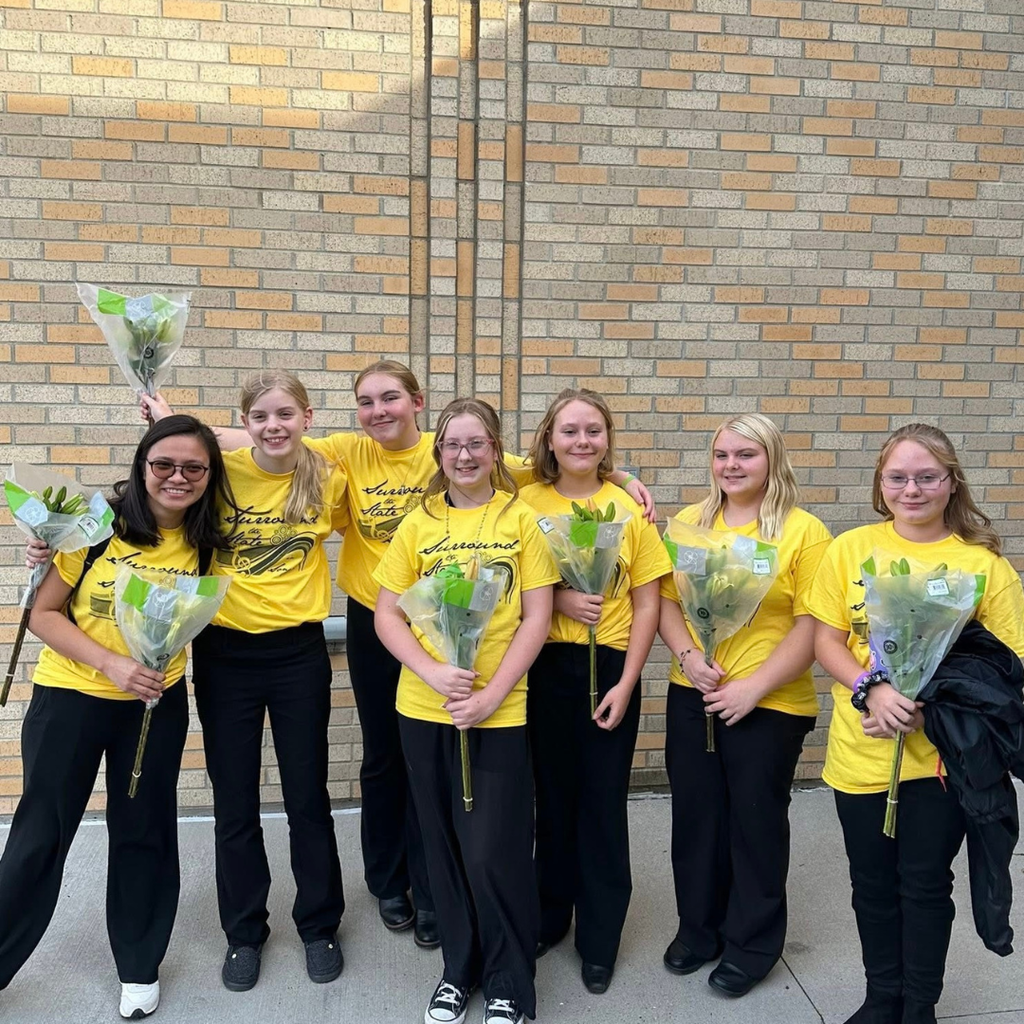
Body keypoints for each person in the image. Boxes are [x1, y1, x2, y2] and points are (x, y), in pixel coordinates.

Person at [197, 359, 653, 948]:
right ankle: (391, 882)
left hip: (458, 622)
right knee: (388, 754)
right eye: (366, 401)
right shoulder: (347, 452)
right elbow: (265, 432)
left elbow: (563, 464)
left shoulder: (456, 446)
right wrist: (178, 422)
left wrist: (625, 478)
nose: (378, 411)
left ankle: (437, 883)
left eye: (390, 398)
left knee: (445, 754)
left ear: (418, 402)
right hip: (379, 618)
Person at [0, 415, 234, 1020]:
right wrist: (110, 663)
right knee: (40, 834)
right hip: (71, 700)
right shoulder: (93, 529)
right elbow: (43, 615)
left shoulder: (210, 542)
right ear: (142, 467)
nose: (177, 477)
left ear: (209, 477)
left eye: (193, 467)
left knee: (145, 830)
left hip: (155, 705)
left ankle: (138, 965)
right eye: (164, 464)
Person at [807, 423, 1024, 1024]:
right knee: (871, 886)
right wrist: (869, 689)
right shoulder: (849, 550)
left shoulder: (982, 566)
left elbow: (1006, 672)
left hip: (941, 761)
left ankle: (919, 1007)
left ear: (951, 482)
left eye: (927, 477)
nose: (912, 489)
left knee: (925, 885)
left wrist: (929, 707)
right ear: (881, 484)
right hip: (861, 753)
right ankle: (882, 999)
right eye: (898, 477)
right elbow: (826, 638)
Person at [143, 371, 349, 992]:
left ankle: (318, 925)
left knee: (307, 796)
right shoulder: (222, 472)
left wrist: (615, 476)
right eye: (260, 417)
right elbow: (164, 481)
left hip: (299, 656)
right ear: (245, 422)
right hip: (225, 656)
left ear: (307, 417)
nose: (273, 426)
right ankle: (244, 932)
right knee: (235, 800)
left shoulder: (329, 480)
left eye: (285, 414)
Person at [374, 398, 559, 1024]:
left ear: (495, 449)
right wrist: (431, 671)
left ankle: (509, 978)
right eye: (453, 444)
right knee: (443, 845)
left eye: (476, 444)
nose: (464, 455)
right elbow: (387, 612)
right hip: (423, 708)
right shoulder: (417, 524)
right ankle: (459, 968)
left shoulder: (521, 520)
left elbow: (537, 616)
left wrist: (491, 694)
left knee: (493, 848)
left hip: (499, 709)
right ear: (439, 452)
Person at [658, 413, 832, 998]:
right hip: (694, 694)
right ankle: (698, 929)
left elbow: (813, 625)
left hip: (771, 702)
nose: (732, 465)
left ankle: (752, 944)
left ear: (772, 460)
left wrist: (752, 687)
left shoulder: (803, 532)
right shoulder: (688, 523)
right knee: (697, 820)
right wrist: (687, 657)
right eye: (722, 454)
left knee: (754, 825)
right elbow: (665, 602)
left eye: (746, 455)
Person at [519, 388, 669, 995]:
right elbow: (509, 582)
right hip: (543, 666)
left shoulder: (629, 510)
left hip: (609, 669)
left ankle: (599, 937)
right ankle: (550, 915)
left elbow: (649, 601)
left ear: (608, 439)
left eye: (594, 431)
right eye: (570, 431)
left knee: (603, 805)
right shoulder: (524, 501)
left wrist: (628, 682)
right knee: (550, 802)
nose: (583, 441)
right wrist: (556, 597)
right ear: (549, 440)